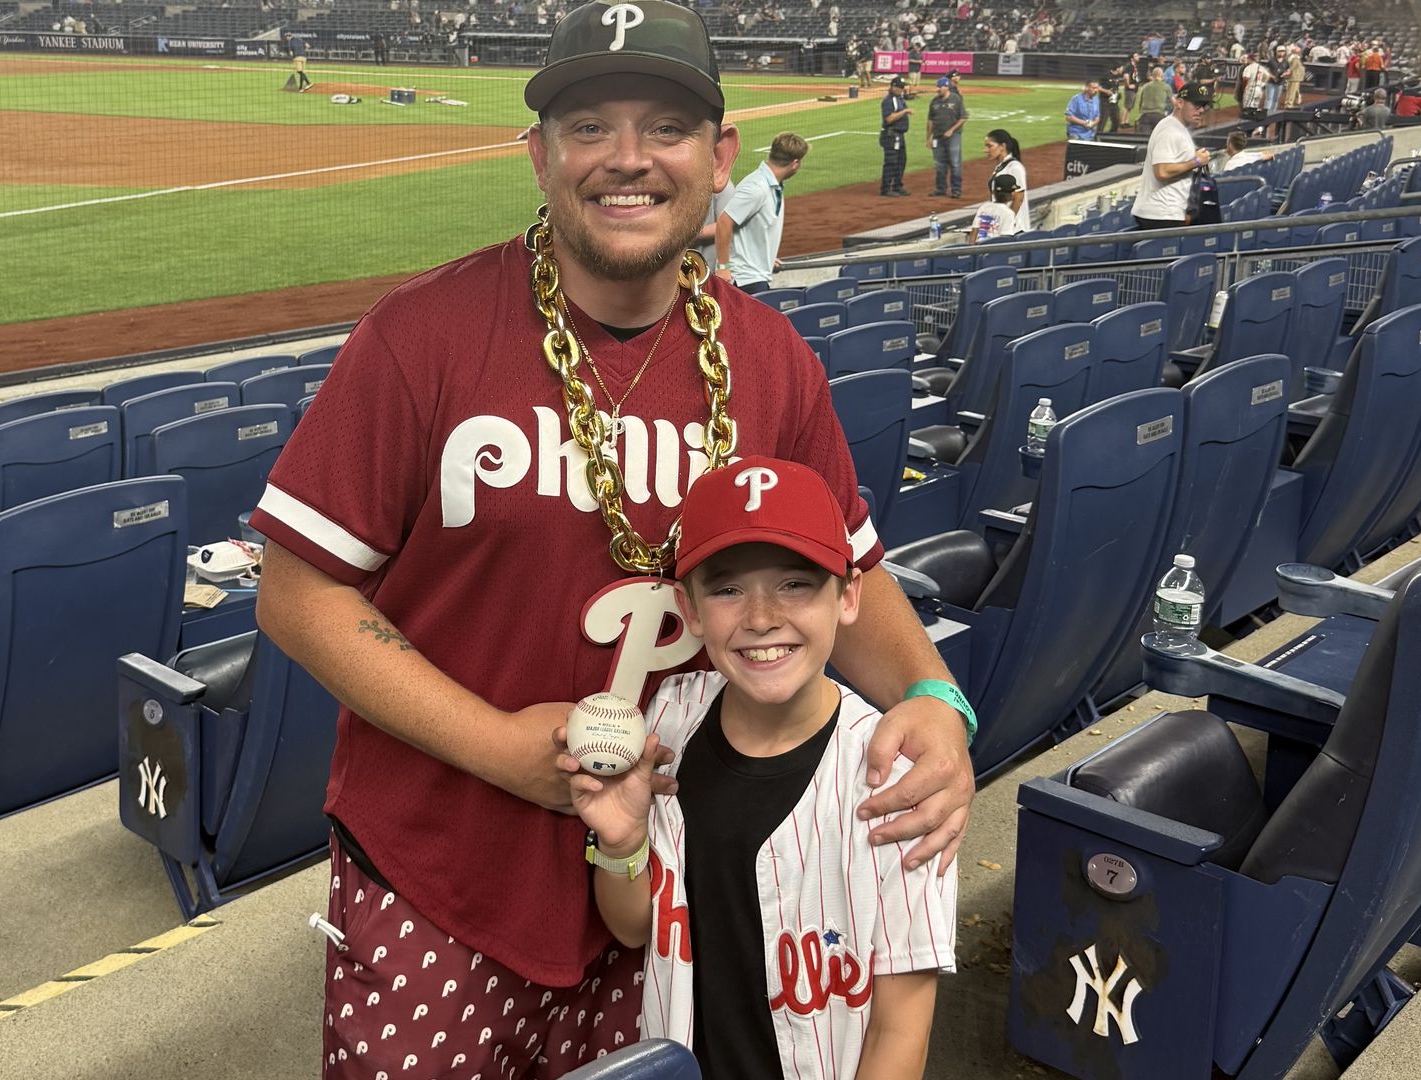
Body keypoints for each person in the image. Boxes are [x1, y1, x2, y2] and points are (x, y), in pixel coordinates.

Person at [247, 0, 978, 1073]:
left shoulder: (771, 364)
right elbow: (297, 595)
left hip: (670, 889)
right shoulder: (421, 337)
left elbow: (849, 572)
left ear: (719, 155)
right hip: (441, 872)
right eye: (589, 127)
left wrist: (934, 700)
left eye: (666, 128)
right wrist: (504, 748)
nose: (626, 160)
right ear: (538, 152)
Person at [564, 455, 956, 1080]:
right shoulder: (668, 720)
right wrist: (621, 843)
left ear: (849, 593)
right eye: (726, 588)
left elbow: (900, 1027)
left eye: (796, 583)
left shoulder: (901, 777)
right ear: (689, 610)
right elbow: (634, 928)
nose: (761, 617)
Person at [716, 133, 807, 294]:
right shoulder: (756, 188)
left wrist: (766, 257)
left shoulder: (772, 185)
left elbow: (757, 228)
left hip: (756, 275)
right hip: (745, 279)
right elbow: (724, 222)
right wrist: (723, 268)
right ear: (795, 163)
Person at [1136, 83, 1214, 229]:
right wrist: (1196, 161)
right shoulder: (1169, 131)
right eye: (1196, 105)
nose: (1201, 110)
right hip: (1160, 215)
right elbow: (1162, 172)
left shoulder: (1178, 128)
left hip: (1168, 213)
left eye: (1204, 106)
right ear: (1179, 103)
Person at [927, 78, 967, 198]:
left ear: (946, 87)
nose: (937, 89)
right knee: (939, 164)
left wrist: (951, 130)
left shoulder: (956, 99)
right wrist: (928, 138)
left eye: (940, 87)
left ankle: (956, 190)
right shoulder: (934, 101)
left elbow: (963, 117)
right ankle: (940, 189)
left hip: (953, 136)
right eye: (937, 87)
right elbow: (930, 121)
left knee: (955, 163)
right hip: (937, 137)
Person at [983, 128, 1028, 232]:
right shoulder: (1001, 167)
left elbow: (1019, 197)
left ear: (1002, 146)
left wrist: (1007, 222)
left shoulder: (1014, 167)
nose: (986, 150)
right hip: (1003, 225)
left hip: (1015, 229)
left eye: (989, 146)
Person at [880, 75, 912, 196]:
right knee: (891, 162)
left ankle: (897, 186)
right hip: (891, 135)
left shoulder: (899, 98)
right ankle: (886, 188)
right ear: (893, 87)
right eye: (899, 87)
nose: (901, 89)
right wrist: (904, 111)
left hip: (899, 135)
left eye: (902, 87)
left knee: (901, 161)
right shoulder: (889, 101)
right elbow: (889, 119)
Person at [969, 172, 1020, 243]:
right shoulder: (1008, 213)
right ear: (1012, 193)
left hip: (979, 250)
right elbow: (1005, 240)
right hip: (995, 252)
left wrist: (971, 253)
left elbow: (974, 233)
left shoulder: (984, 207)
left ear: (994, 192)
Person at [1135, 63, 1171, 131]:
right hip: (1159, 116)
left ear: (1152, 75)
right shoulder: (1166, 86)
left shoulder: (1145, 86)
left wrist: (1141, 114)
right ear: (1162, 75)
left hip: (1145, 116)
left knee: (1144, 139)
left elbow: (1140, 102)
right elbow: (1174, 102)